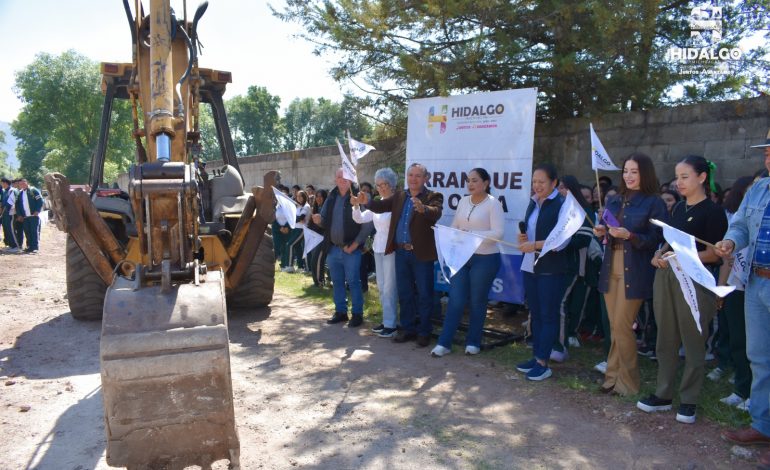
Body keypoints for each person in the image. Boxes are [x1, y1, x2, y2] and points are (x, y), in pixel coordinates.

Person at [637, 155, 728, 424]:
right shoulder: (677, 209)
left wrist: (684, 258)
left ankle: (689, 399)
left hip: (695, 283)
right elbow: (670, 241)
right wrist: (659, 254)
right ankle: (663, 393)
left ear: (702, 177)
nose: (679, 182)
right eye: (677, 177)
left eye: (685, 177)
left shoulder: (713, 212)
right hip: (667, 277)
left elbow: (715, 255)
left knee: (692, 340)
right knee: (666, 337)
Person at [593, 153, 667, 396]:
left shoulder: (654, 203)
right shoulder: (614, 200)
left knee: (623, 326)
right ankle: (612, 377)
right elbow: (609, 233)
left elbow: (657, 240)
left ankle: (629, 382)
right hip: (610, 268)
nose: (629, 175)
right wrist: (602, 231)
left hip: (634, 272)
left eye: (634, 171)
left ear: (644, 173)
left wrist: (631, 236)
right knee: (615, 327)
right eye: (626, 171)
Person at [716, 134, 770, 459]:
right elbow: (739, 226)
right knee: (760, 357)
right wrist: (731, 242)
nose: (768, 159)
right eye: (767, 153)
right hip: (756, 282)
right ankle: (763, 424)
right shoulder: (759, 189)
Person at [352, 163, 443, 347]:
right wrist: (365, 201)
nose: (413, 179)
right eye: (411, 175)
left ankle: (424, 332)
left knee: (425, 294)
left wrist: (423, 208)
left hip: (421, 254)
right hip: (401, 252)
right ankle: (408, 329)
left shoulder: (433, 196)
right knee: (404, 293)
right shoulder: (401, 195)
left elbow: (436, 212)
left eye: (418, 176)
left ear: (426, 178)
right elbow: (379, 206)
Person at [516, 163, 590, 381]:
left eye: (542, 182)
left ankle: (543, 363)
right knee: (536, 315)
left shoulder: (563, 204)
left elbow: (562, 241)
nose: (537, 186)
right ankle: (536, 355)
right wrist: (524, 240)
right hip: (531, 265)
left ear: (554, 183)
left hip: (552, 268)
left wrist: (535, 244)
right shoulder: (533, 202)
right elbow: (531, 231)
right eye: (534, 182)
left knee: (548, 316)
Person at [431, 168, 504, 357]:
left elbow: (498, 233)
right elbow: (456, 225)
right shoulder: (463, 201)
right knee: (455, 299)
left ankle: (473, 342)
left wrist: (474, 236)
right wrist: (448, 232)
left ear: (486, 183)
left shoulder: (493, 204)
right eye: (468, 180)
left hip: (486, 258)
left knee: (478, 301)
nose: (470, 184)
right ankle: (444, 343)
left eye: (475, 180)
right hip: (462, 257)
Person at [711, 176, 754, 411]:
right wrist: (722, 287)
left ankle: (756, 396)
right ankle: (741, 389)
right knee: (739, 340)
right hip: (737, 285)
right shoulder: (738, 224)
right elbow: (728, 259)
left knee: (758, 347)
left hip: (759, 284)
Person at [312, 169, 373, 327]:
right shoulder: (331, 197)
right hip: (333, 248)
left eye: (346, 177)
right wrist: (319, 220)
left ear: (352, 179)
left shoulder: (359, 197)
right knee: (337, 281)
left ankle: (357, 314)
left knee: (353, 282)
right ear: (335, 179)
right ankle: (340, 312)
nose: (342, 179)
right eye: (339, 176)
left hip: (351, 249)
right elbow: (325, 221)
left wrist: (354, 245)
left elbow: (367, 226)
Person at [551, 175, 597, 361]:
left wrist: (558, 244)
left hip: (572, 265)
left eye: (564, 187)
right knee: (553, 303)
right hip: (554, 264)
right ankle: (550, 342)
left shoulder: (584, 211)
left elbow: (583, 239)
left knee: (560, 303)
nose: (561, 191)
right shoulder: (557, 208)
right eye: (559, 188)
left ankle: (560, 346)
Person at [352, 168, 399, 338]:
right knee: (381, 286)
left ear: (391, 185)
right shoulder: (377, 202)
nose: (380, 187)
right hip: (378, 247)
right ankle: (386, 321)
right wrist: (356, 205)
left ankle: (392, 324)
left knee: (389, 287)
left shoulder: (396, 202)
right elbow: (360, 219)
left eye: (383, 184)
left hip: (391, 248)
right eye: (378, 185)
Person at [284, 190, 311, 273]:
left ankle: (290, 265)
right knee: (297, 247)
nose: (298, 198)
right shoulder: (298, 207)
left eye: (300, 196)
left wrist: (296, 219)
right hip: (296, 228)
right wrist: (296, 219)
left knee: (290, 245)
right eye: (297, 196)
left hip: (302, 229)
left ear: (304, 197)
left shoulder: (306, 206)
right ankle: (300, 266)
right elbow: (295, 218)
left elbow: (300, 218)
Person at [15, 178, 43, 253]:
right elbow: (17, 205)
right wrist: (19, 215)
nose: (22, 185)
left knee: (34, 231)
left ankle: (35, 247)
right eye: (20, 184)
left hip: (33, 216)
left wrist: (37, 210)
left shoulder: (33, 190)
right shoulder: (20, 193)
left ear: (27, 182)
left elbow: (40, 201)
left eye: (24, 183)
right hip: (25, 217)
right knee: (27, 232)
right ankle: (29, 247)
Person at [307, 189, 328, 288]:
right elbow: (311, 225)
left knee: (318, 259)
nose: (319, 199)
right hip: (315, 238)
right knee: (314, 259)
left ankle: (320, 282)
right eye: (317, 196)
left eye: (321, 196)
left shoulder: (327, 209)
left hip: (324, 238)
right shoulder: (314, 208)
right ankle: (317, 281)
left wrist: (319, 223)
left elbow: (326, 225)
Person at [1, 177, 21, 253]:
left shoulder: (12, 190)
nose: (1, 184)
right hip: (5, 214)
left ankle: (16, 246)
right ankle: (11, 245)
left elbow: (14, 202)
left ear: (5, 183)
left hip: (11, 213)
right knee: (7, 229)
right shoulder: (4, 191)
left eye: (2, 183)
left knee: (11, 229)